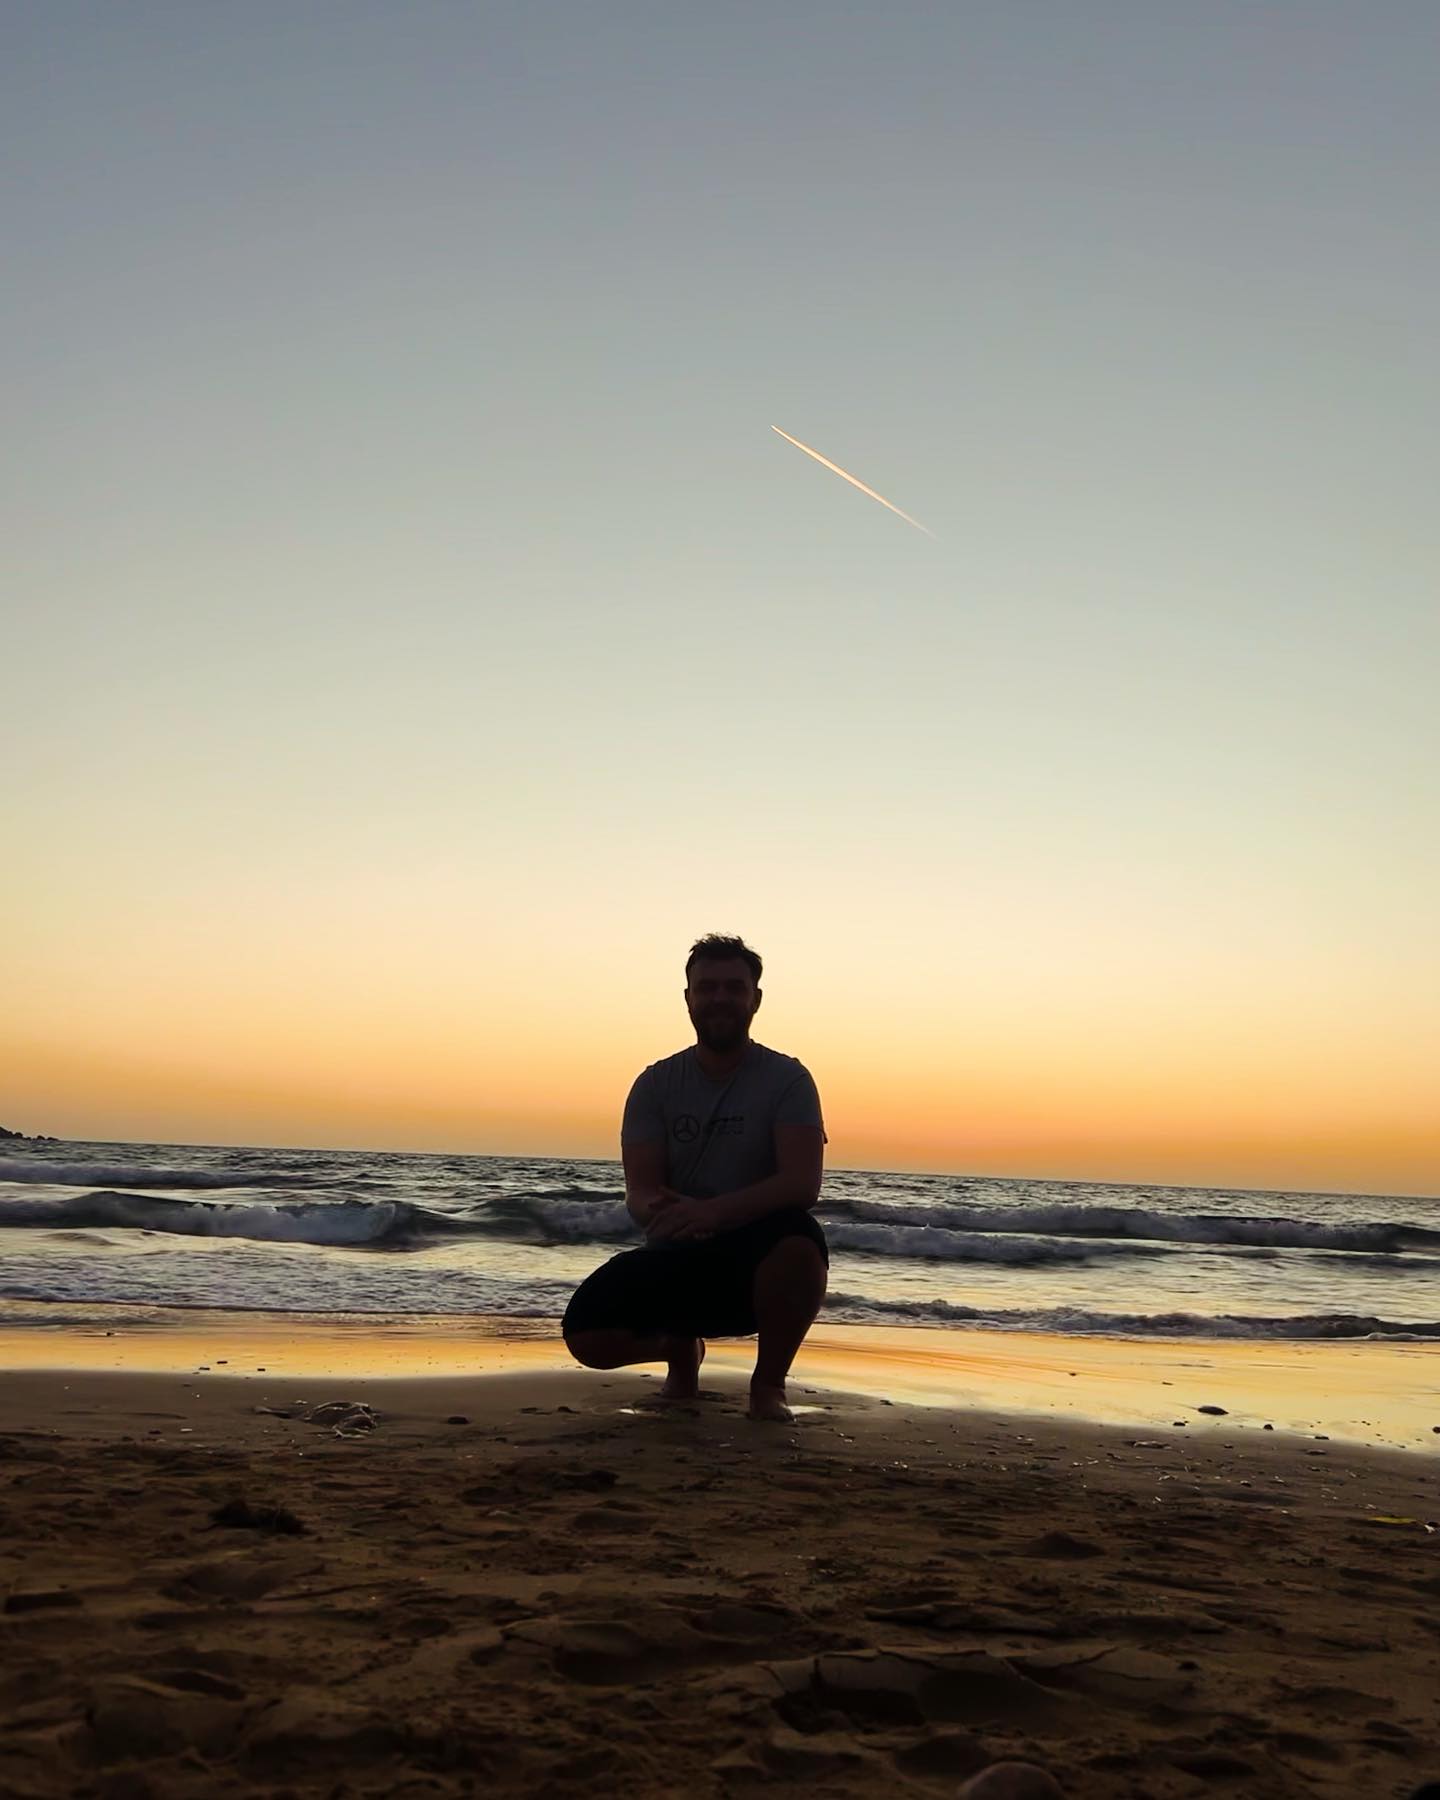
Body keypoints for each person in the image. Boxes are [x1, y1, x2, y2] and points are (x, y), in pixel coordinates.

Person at [562, 934, 828, 1422]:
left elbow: (801, 1184)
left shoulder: (788, 1080)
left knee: (803, 1243)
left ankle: (768, 1385)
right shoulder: (654, 1084)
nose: (720, 999)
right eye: (707, 988)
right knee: (585, 1333)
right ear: (688, 998)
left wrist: (715, 1212)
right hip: (677, 1252)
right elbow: (640, 1193)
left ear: (756, 999)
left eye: (734, 987)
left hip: (757, 1259)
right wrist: (668, 1216)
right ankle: (680, 1351)